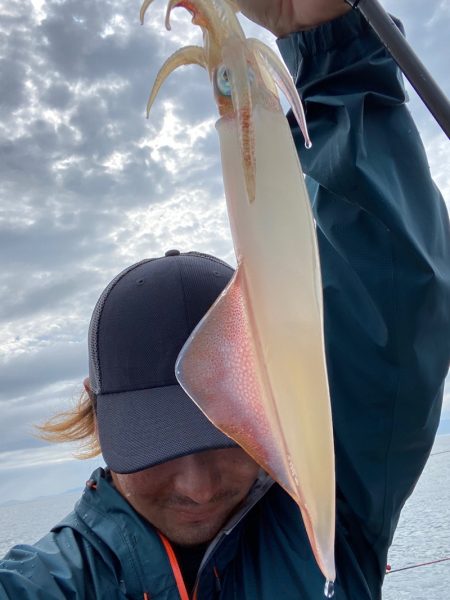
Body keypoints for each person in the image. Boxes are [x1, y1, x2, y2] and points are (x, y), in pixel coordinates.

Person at [1, 1, 449, 598]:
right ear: (96, 414)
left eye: (234, 435)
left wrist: (331, 46)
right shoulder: (60, 580)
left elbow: (393, 302)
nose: (200, 486)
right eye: (158, 442)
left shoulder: (331, 509)